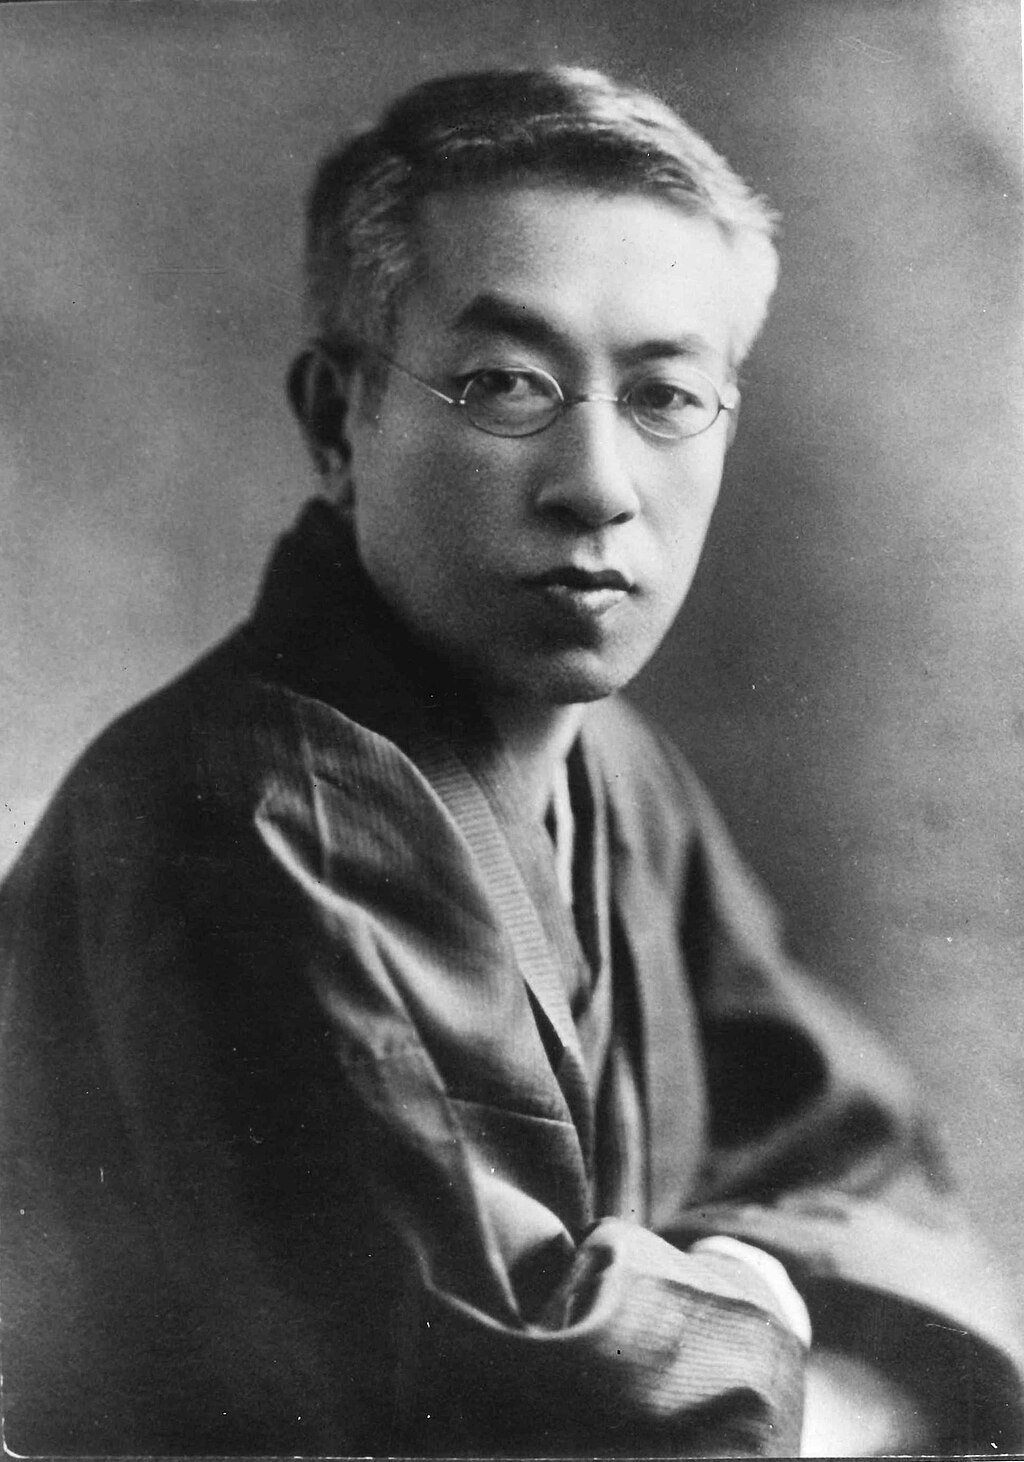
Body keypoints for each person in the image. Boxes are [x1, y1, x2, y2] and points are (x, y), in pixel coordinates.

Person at [1, 65, 1021, 1459]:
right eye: (505, 385)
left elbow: (873, 1180)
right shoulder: (247, 817)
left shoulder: (620, 774)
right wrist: (781, 1367)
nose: (597, 482)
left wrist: (725, 1325)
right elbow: (492, 1398)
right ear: (338, 420)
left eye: (666, 394)